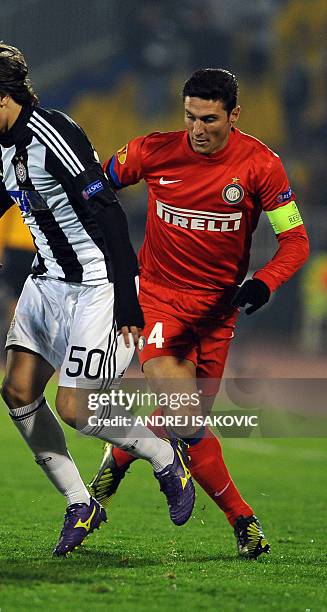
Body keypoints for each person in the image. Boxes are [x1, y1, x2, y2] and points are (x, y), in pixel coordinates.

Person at [0, 41, 195, 557]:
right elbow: (9, 184)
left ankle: (162, 454)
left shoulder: (52, 133)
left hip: (98, 284)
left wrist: (128, 298)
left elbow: (108, 213)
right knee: (17, 392)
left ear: (3, 96)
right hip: (46, 280)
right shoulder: (1, 139)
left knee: (76, 410)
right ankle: (81, 503)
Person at [89, 68, 310, 559]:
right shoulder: (151, 150)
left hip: (219, 311)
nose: (198, 130)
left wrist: (263, 284)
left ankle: (119, 456)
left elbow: (296, 241)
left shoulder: (262, 166)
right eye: (190, 117)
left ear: (234, 114)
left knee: (185, 418)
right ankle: (244, 522)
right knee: (188, 418)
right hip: (161, 301)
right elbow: (95, 190)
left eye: (209, 119)